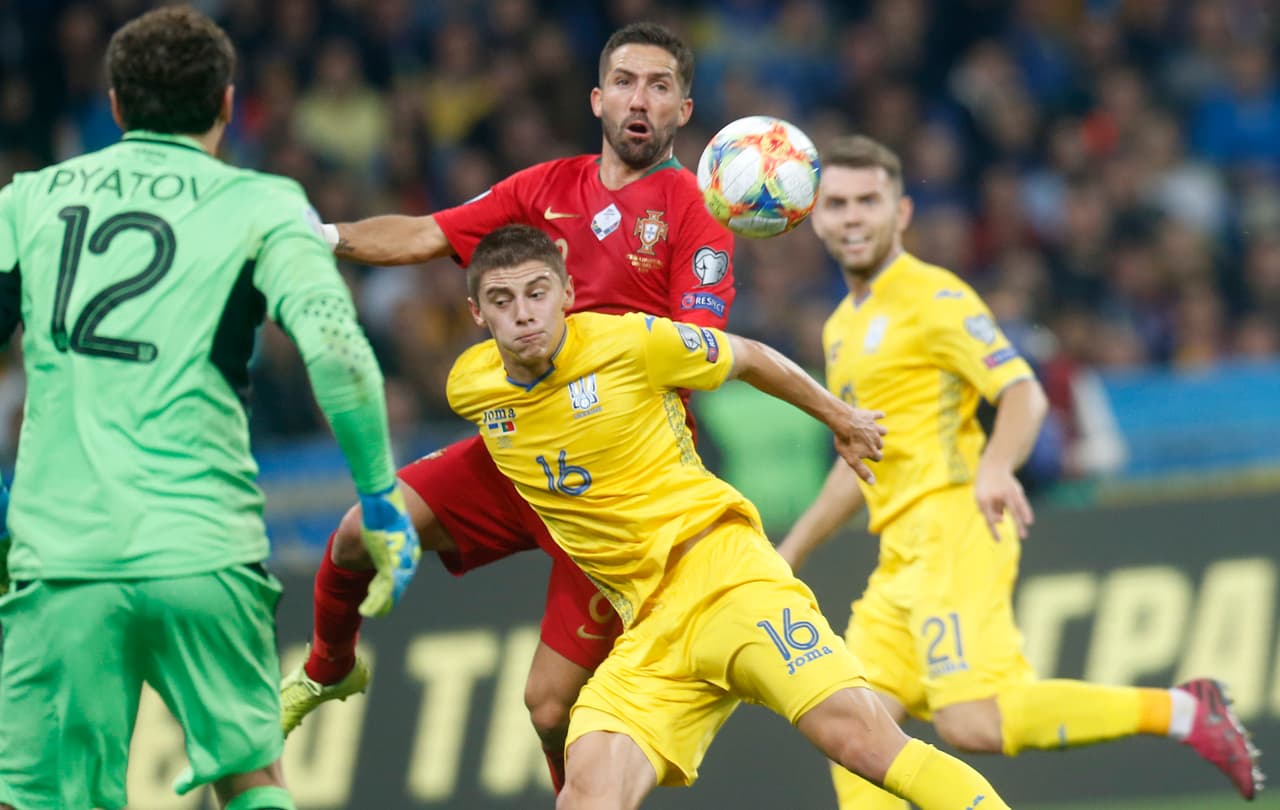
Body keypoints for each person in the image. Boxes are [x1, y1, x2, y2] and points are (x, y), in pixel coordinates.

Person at [281, 21, 736, 791]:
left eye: (660, 87)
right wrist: (322, 235)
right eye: (625, 82)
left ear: (683, 110)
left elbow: (703, 349)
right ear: (597, 99)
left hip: (618, 488)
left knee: (549, 706)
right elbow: (426, 232)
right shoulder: (543, 188)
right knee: (359, 532)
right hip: (521, 449)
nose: (640, 100)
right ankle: (329, 667)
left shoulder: (696, 212)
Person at [0, 8, 420, 810]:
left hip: (61, 558)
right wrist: (378, 495)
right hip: (203, 549)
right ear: (228, 103)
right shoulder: (263, 203)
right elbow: (337, 351)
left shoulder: (26, 201)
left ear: (116, 105)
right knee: (251, 779)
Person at [447, 222, 1012, 809]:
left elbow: (749, 357)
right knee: (587, 793)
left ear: (566, 293)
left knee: (865, 744)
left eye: (537, 293)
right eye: (502, 300)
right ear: (477, 313)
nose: (523, 314)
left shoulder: (631, 342)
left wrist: (839, 416)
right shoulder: (470, 387)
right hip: (648, 628)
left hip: (726, 578)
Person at [775, 134, 1264, 806]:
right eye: (837, 204)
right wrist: (789, 553)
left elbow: (1022, 391)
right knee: (855, 726)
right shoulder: (840, 328)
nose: (853, 216)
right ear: (816, 219)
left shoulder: (934, 297)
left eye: (869, 201)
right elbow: (859, 462)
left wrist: (996, 467)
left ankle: (1182, 712)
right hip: (899, 554)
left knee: (970, 721)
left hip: (954, 526)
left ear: (902, 212)